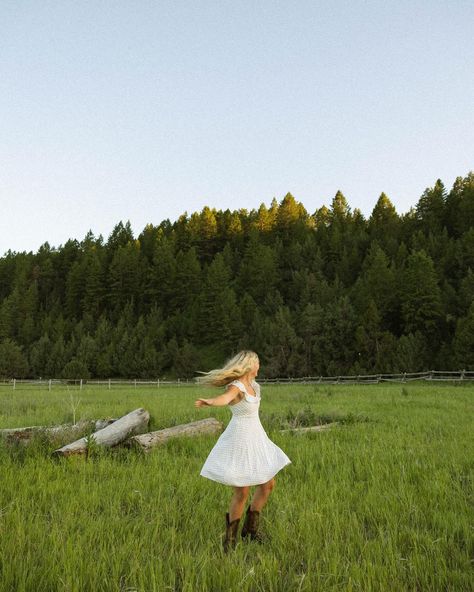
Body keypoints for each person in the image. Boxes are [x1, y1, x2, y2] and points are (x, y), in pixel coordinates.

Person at [194, 350, 292, 552]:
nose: (259, 367)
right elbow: (225, 398)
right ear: (250, 365)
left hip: (257, 438)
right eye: (258, 363)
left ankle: (250, 530)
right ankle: (229, 542)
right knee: (242, 491)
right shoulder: (237, 386)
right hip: (239, 440)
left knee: (268, 484)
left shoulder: (254, 386)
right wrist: (210, 401)